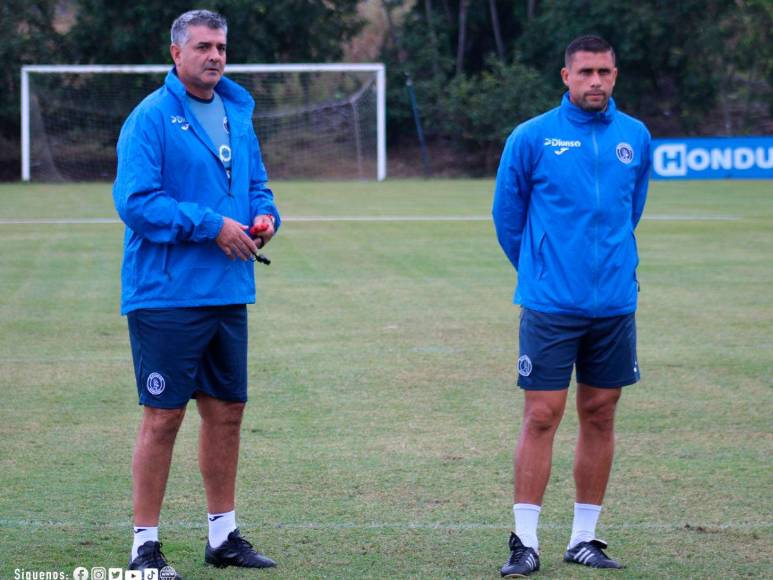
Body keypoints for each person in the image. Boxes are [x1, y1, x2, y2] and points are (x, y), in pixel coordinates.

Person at [112, 9, 281, 577]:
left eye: (222, 48)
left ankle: (222, 536)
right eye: (204, 46)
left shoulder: (238, 111)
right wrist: (210, 224)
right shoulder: (151, 117)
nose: (215, 56)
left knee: (228, 413)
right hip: (166, 294)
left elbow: (256, 183)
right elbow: (135, 201)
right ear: (176, 53)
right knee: (163, 418)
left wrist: (265, 214)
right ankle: (144, 548)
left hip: (228, 289)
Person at [492, 35, 651, 576]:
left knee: (600, 414)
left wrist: (607, 268)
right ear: (566, 76)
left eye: (604, 72)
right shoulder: (532, 137)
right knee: (542, 415)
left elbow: (632, 210)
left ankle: (584, 537)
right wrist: (541, 270)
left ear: (616, 74)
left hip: (613, 303)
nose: (595, 82)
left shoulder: (635, 136)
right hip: (551, 303)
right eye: (585, 73)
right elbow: (507, 218)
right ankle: (525, 540)